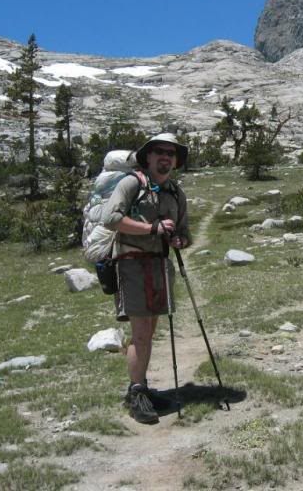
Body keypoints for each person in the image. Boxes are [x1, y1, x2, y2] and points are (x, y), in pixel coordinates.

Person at [103, 133, 191, 424]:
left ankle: (142, 388)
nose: (165, 157)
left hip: (159, 266)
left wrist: (179, 240)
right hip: (131, 264)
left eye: (171, 153)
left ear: (175, 161)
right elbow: (111, 218)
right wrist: (152, 229)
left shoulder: (176, 192)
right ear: (148, 157)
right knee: (141, 333)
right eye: (159, 152)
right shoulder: (131, 184)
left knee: (149, 332)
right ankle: (136, 393)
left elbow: (183, 232)